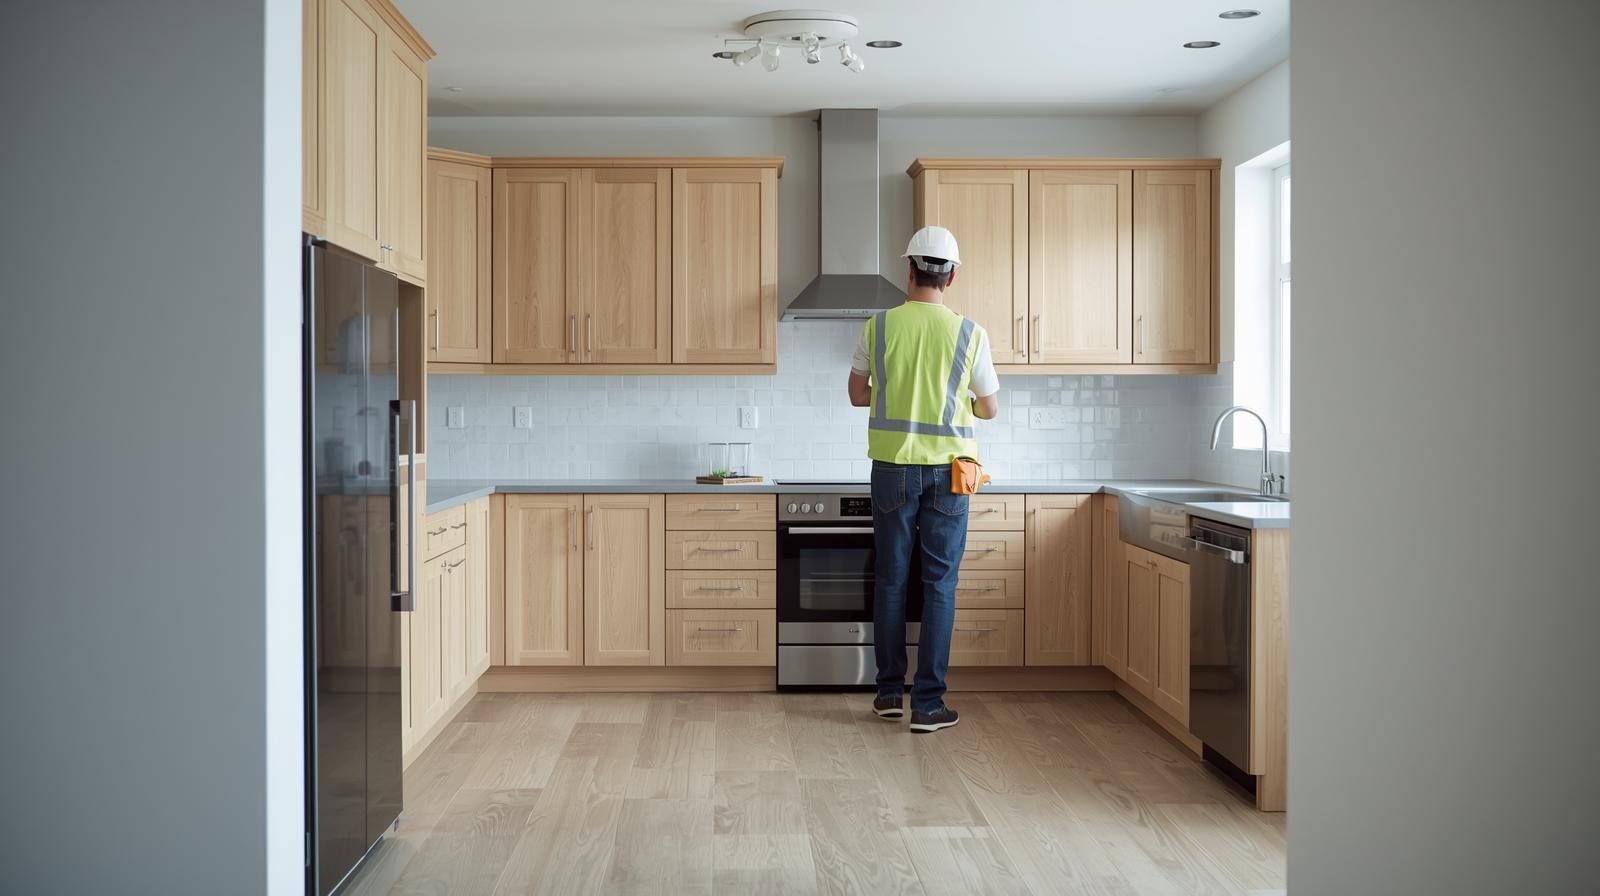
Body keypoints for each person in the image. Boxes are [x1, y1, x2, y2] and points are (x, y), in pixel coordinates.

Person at [846, 226, 1000, 733]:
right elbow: (989, 408)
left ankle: (889, 693)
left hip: (892, 468)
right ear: (951, 276)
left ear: (908, 271)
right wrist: (963, 402)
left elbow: (856, 394)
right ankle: (928, 706)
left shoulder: (879, 326)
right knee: (940, 585)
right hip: (952, 473)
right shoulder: (969, 333)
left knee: (891, 580)